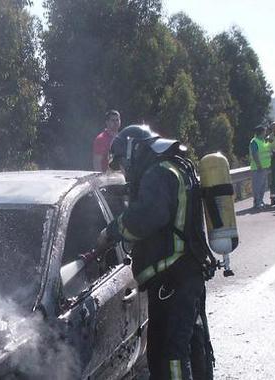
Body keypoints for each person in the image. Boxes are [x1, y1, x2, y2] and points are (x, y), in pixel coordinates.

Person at [96, 125, 215, 380]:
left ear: (132, 151)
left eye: (123, 164)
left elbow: (145, 218)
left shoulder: (158, 173)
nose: (125, 171)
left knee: (170, 355)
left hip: (173, 280)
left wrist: (110, 232)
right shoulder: (174, 166)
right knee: (191, 345)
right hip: (185, 275)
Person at [249, 125, 271, 209]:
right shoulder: (254, 141)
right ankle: (257, 202)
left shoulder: (262, 141)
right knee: (257, 186)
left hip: (264, 167)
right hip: (258, 168)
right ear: (261, 132)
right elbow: (254, 154)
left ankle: (261, 201)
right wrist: (259, 165)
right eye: (264, 131)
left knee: (263, 186)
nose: (265, 133)